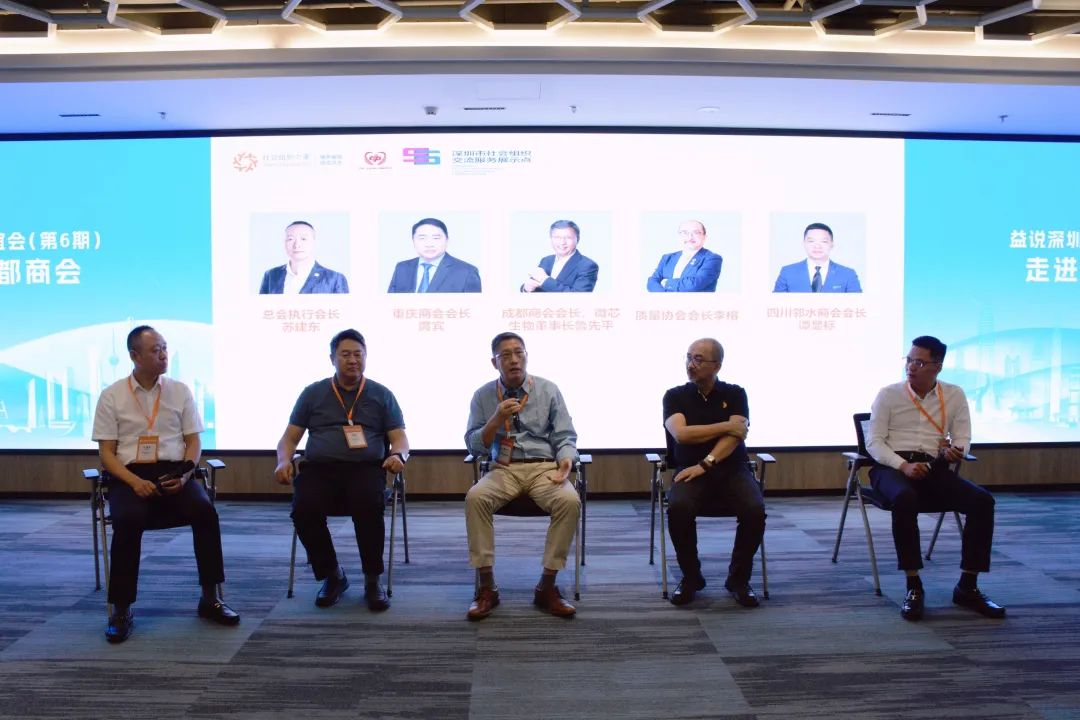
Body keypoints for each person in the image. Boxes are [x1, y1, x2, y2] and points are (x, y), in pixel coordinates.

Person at [91, 325, 240, 643]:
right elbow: (106, 454)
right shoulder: (112, 395)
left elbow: (193, 442)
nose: (163, 354)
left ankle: (210, 598)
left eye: (164, 347)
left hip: (175, 471)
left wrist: (185, 475)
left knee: (205, 511)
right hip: (129, 475)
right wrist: (134, 482)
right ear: (135, 356)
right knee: (128, 518)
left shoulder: (180, 390)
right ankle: (121, 609)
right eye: (155, 349)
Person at [867, 335, 1004, 621]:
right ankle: (913, 585)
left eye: (919, 362)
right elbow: (874, 442)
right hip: (891, 467)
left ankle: (967, 586)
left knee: (982, 501)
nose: (911, 367)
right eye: (909, 360)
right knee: (905, 498)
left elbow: (963, 437)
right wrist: (903, 466)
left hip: (934, 466)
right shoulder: (888, 394)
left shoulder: (954, 394)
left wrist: (957, 451)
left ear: (937, 367)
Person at [273, 329, 409, 611]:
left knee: (368, 502)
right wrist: (283, 461)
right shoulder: (313, 393)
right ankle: (333, 575)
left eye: (358, 354)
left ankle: (372, 579)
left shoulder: (382, 394)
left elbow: (400, 439)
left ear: (366, 357)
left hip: (365, 469)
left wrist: (399, 455)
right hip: (320, 470)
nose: (352, 360)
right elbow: (289, 439)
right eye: (345, 355)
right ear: (332, 359)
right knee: (303, 509)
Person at [464, 332, 581, 620]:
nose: (514, 360)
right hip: (504, 469)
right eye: (506, 355)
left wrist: (567, 458)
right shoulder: (482, 395)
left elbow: (565, 435)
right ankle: (487, 587)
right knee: (475, 497)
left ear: (527, 356)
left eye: (519, 353)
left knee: (569, 501)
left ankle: (547, 586)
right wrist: (495, 419)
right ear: (495, 363)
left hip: (544, 467)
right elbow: (474, 445)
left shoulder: (548, 389)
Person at [663, 338, 764, 608]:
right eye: (688, 357)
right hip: (688, 469)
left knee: (754, 509)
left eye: (698, 359)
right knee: (678, 508)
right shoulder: (675, 396)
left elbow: (735, 438)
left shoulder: (735, 393)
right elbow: (682, 434)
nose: (690, 364)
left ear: (717, 365)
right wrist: (725, 425)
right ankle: (691, 578)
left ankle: (738, 580)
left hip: (731, 468)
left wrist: (706, 463)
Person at [387, 217, 482, 293]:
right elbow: (390, 305)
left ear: (447, 240)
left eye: (436, 238)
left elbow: (474, 309)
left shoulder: (467, 272)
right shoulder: (402, 268)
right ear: (413, 241)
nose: (429, 244)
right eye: (422, 238)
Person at [259, 220, 350, 294]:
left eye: (303, 239)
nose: (297, 245)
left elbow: (342, 310)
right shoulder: (271, 275)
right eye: (290, 239)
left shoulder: (334, 279)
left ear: (314, 242)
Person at [773, 222, 862, 293]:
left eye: (823, 241)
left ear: (832, 244)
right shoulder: (787, 272)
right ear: (804, 243)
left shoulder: (848, 274)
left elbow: (858, 305)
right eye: (811, 241)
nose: (817, 246)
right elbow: (775, 305)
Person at [521, 219, 599, 292]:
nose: (562, 242)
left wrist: (545, 280)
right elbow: (535, 287)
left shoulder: (588, 265)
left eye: (568, 237)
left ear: (577, 239)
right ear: (551, 239)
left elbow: (580, 297)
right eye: (557, 237)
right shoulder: (546, 260)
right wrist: (526, 288)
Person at [647, 220, 722, 292]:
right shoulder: (667, 258)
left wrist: (667, 282)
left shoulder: (712, 259)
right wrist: (665, 296)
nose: (690, 237)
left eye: (696, 232)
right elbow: (652, 282)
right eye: (685, 233)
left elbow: (693, 285)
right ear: (678, 236)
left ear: (704, 237)